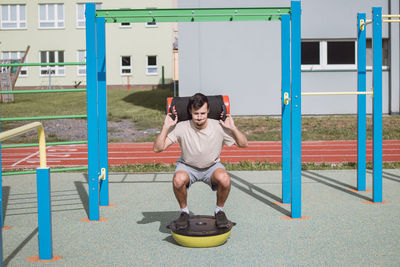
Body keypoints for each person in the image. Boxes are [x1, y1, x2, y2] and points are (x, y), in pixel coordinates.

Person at [153, 93, 248, 229]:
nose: (199, 117)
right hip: (187, 166)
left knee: (225, 179)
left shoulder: (218, 126)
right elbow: (157, 148)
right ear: (190, 112)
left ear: (208, 111)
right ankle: (184, 212)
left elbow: (244, 144)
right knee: (178, 179)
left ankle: (219, 211)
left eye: (203, 113)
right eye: (196, 113)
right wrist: (165, 127)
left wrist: (232, 128)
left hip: (212, 167)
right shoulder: (181, 127)